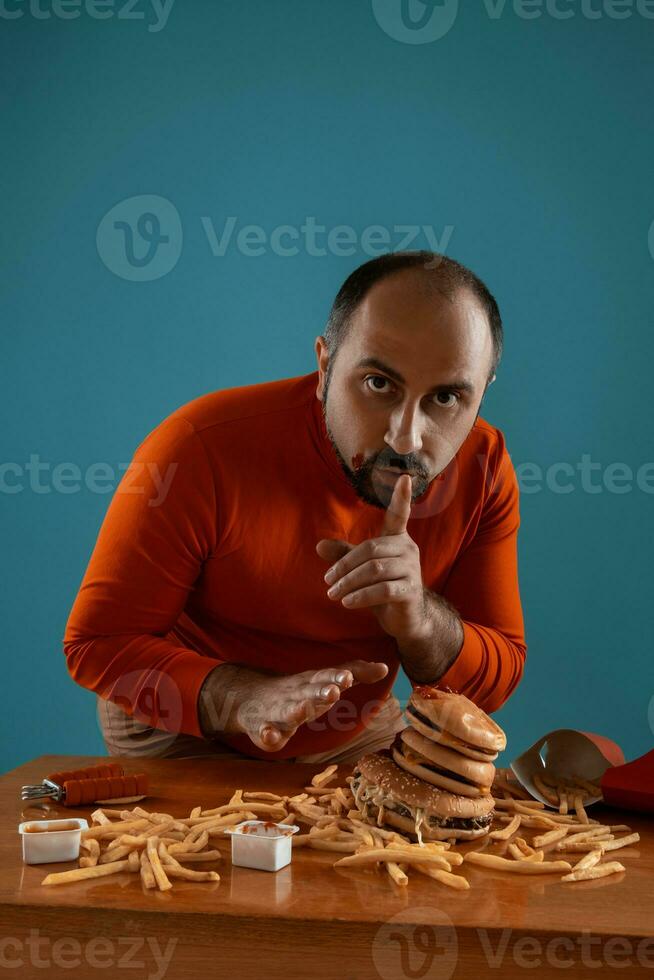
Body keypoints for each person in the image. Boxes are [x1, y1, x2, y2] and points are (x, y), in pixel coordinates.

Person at [63, 250, 527, 763]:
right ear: (325, 366)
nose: (405, 437)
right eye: (378, 384)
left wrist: (420, 620)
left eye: (445, 399)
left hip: (352, 724)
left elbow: (492, 687)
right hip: (184, 724)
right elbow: (98, 642)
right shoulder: (198, 446)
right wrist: (243, 697)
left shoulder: (484, 466)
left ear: (481, 395)